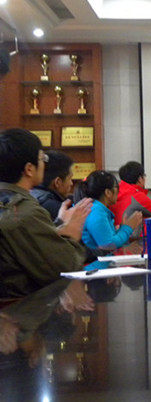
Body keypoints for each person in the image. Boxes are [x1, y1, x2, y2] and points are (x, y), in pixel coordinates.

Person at [0, 128, 92, 298]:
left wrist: (58, 225)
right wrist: (71, 233)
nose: (44, 164)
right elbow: (64, 269)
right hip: (20, 309)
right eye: (43, 159)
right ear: (29, 169)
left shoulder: (14, 206)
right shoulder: (24, 212)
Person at [76, 170, 143, 251]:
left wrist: (121, 229)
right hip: (95, 259)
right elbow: (108, 245)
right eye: (117, 187)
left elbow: (108, 239)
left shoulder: (97, 208)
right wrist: (128, 228)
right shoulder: (96, 211)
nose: (119, 191)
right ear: (108, 192)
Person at [30, 150, 74, 222]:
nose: (71, 183)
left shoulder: (29, 196)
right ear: (57, 182)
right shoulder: (59, 210)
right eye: (70, 178)